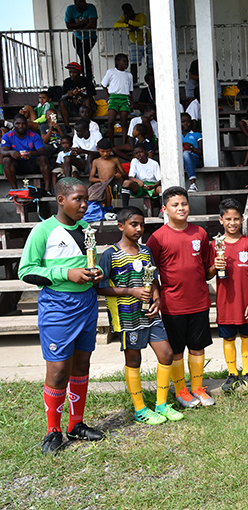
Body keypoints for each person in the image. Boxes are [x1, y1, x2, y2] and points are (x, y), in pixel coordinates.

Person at [19, 177, 104, 454]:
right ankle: (53, 430)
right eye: (78, 199)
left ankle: (75, 424)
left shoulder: (85, 230)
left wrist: (94, 274)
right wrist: (64, 274)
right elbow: (26, 271)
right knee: (57, 372)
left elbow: (86, 263)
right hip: (58, 307)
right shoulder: (44, 231)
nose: (83, 204)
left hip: (87, 304)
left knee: (82, 365)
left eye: (85, 199)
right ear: (61, 200)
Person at [96, 206, 183, 425]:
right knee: (134, 359)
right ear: (120, 226)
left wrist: (157, 299)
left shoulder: (145, 251)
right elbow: (100, 287)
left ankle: (161, 404)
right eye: (134, 224)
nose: (139, 229)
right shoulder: (111, 254)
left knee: (166, 354)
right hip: (127, 317)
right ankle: (140, 409)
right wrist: (131, 291)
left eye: (142, 225)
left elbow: (153, 279)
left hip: (150, 314)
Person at [147, 186, 218, 409]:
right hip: (172, 305)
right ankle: (181, 390)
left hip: (199, 301)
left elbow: (206, 270)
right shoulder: (157, 238)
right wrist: (157, 297)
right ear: (164, 209)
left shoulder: (200, 233)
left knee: (198, 346)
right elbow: (151, 273)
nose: (181, 208)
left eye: (184, 204)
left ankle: (197, 387)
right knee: (176, 350)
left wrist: (217, 266)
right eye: (175, 205)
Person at [213, 198, 248, 392]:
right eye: (227, 219)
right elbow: (208, 273)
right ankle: (232, 373)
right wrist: (214, 266)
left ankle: (247, 372)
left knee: (247, 335)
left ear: (242, 219)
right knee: (228, 338)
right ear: (220, 220)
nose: (232, 223)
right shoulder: (216, 245)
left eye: (236, 219)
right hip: (226, 302)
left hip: (245, 302)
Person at [1, 114, 51, 193]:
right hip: (17, 165)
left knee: (43, 158)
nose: (21, 126)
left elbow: (42, 150)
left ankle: (47, 189)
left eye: (23, 123)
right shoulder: (7, 136)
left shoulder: (34, 135)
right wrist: (11, 152)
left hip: (32, 164)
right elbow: (3, 151)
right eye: (18, 123)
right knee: (6, 160)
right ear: (13, 124)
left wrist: (32, 154)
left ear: (27, 124)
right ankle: (15, 190)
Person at [113, 3, 153, 82]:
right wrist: (127, 25)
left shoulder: (140, 16)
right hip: (134, 43)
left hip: (148, 42)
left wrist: (129, 22)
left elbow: (142, 24)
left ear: (133, 11)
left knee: (151, 64)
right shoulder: (123, 18)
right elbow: (115, 25)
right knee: (134, 64)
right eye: (125, 13)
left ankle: (152, 83)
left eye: (129, 12)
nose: (127, 15)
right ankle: (134, 84)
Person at [102, 53, 134, 146]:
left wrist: (131, 101)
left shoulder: (129, 75)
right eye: (124, 61)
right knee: (111, 121)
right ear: (117, 62)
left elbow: (131, 90)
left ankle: (123, 143)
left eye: (127, 62)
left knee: (124, 122)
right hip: (113, 98)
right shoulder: (111, 72)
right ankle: (112, 144)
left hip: (124, 99)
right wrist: (108, 95)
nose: (126, 64)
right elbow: (104, 85)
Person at [64, 0, 98, 82]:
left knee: (82, 54)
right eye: (81, 2)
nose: (84, 4)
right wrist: (82, 23)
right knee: (82, 55)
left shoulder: (90, 8)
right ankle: (86, 78)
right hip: (77, 36)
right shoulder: (70, 9)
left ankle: (87, 77)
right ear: (75, 3)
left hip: (90, 36)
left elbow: (92, 25)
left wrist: (76, 27)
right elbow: (68, 25)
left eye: (84, 1)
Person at [88, 138, 127, 207]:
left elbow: (124, 175)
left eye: (108, 151)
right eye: (102, 151)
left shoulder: (115, 160)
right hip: (101, 184)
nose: (105, 154)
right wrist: (100, 180)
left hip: (113, 185)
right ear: (98, 150)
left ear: (111, 149)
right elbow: (91, 178)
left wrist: (120, 175)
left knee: (107, 188)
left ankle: (108, 208)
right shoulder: (96, 161)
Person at [120, 144, 161, 208]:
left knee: (160, 189)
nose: (138, 154)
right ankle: (125, 208)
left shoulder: (154, 163)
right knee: (126, 182)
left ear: (146, 151)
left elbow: (159, 180)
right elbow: (130, 177)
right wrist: (138, 181)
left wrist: (152, 186)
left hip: (152, 186)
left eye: (141, 152)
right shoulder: (134, 161)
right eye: (136, 153)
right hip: (141, 186)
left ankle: (163, 210)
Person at [59, 62, 96, 127]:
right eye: (70, 72)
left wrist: (80, 94)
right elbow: (62, 97)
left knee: (87, 100)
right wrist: (68, 94)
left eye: (74, 72)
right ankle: (67, 127)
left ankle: (87, 124)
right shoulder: (67, 81)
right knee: (62, 102)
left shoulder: (86, 81)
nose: (71, 74)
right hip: (73, 108)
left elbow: (91, 95)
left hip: (85, 106)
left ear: (79, 73)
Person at [181, 113, 203, 192]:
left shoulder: (196, 135)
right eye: (183, 122)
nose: (186, 124)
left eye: (188, 122)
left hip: (194, 159)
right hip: (180, 161)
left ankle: (193, 184)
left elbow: (202, 152)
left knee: (186, 154)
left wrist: (193, 149)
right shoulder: (176, 135)